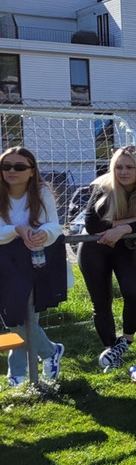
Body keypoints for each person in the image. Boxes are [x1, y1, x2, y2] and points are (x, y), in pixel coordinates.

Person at [79, 146, 136, 371]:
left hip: (126, 247)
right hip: (93, 248)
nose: (123, 172)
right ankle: (111, 349)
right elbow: (93, 225)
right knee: (101, 303)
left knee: (134, 293)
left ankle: (125, 341)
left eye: (129, 167)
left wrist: (122, 229)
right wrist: (133, 221)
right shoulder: (102, 186)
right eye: (118, 167)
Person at [1, 147, 65, 387]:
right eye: (6, 166)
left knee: (24, 317)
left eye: (19, 167)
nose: (11, 171)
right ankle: (50, 351)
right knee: (12, 319)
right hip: (3, 262)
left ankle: (16, 375)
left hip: (34, 260)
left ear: (31, 171)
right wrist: (17, 229)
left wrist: (41, 234)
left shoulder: (41, 192)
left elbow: (54, 226)